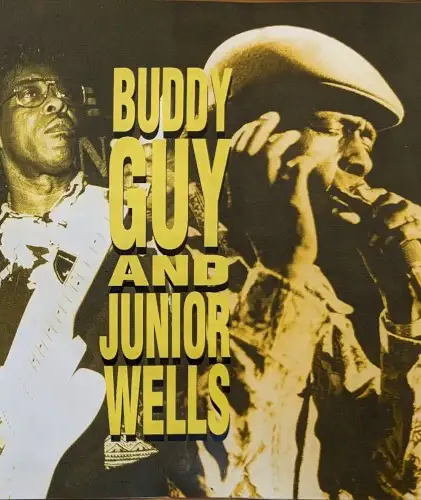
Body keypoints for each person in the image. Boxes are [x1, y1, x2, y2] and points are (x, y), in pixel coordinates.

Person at [163, 25, 421, 499]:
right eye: (335, 127)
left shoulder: (311, 292)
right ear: (250, 134)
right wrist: (282, 271)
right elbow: (200, 474)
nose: (361, 162)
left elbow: (394, 482)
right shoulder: (148, 266)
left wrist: (405, 318)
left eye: (366, 138)